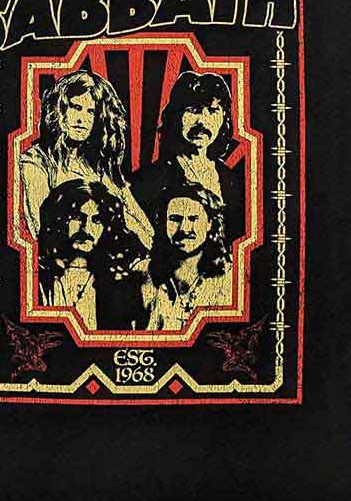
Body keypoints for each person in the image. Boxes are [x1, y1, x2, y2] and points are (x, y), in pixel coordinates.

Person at [19, 70, 153, 247]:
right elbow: (43, 229)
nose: (82, 119)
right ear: (59, 110)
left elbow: (141, 222)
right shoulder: (36, 161)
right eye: (76, 108)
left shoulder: (98, 166)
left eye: (91, 111)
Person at [131, 71, 244, 245]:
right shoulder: (148, 180)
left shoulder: (232, 180)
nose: (202, 121)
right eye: (193, 110)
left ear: (224, 118)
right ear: (176, 116)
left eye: (213, 111)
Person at [37, 179, 148, 331]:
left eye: (96, 220)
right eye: (77, 217)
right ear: (58, 219)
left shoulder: (117, 283)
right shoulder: (40, 277)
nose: (86, 229)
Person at [135, 182, 233, 331]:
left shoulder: (229, 276)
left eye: (193, 219)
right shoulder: (144, 271)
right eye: (175, 219)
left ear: (209, 223)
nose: (184, 229)